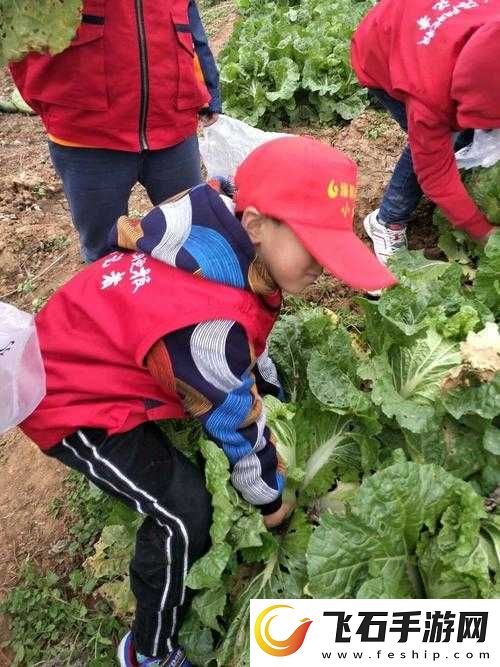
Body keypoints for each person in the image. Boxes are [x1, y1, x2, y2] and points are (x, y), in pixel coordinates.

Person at [19, 136, 397, 666]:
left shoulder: (214, 219)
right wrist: (270, 499)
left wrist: (261, 378)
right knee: (182, 513)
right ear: (258, 225)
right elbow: (232, 417)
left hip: (89, 337)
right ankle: (150, 649)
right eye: (314, 245)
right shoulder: (209, 329)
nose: (324, 265)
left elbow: (241, 341)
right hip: (68, 398)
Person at [9, 0, 221, 263]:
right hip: (87, 134)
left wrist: (210, 90)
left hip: (172, 122)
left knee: (193, 237)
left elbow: (187, 16)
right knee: (105, 255)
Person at [351, 0, 499, 265]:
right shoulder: (430, 99)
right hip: (380, 48)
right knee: (442, 146)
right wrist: (486, 234)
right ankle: (387, 222)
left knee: (466, 135)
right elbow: (435, 174)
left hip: (422, 20)